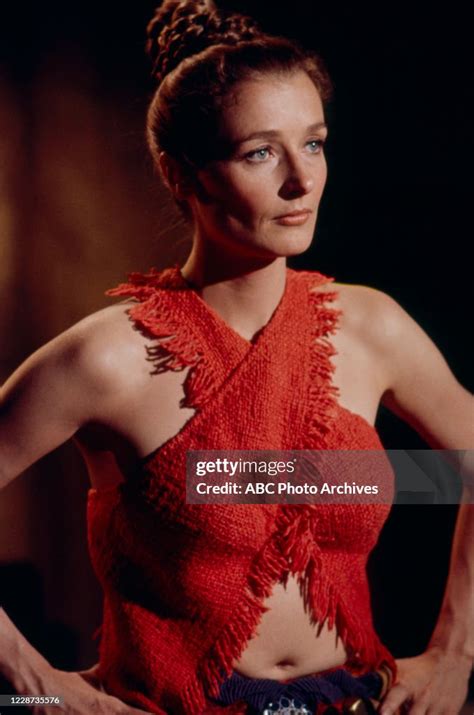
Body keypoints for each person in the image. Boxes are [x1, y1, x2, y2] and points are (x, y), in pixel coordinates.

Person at [0, 1, 472, 713]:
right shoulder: (107, 360)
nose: (301, 180)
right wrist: (34, 677)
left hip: (354, 697)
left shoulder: (371, 327)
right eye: (260, 152)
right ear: (180, 172)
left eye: (313, 143)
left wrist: (456, 652)